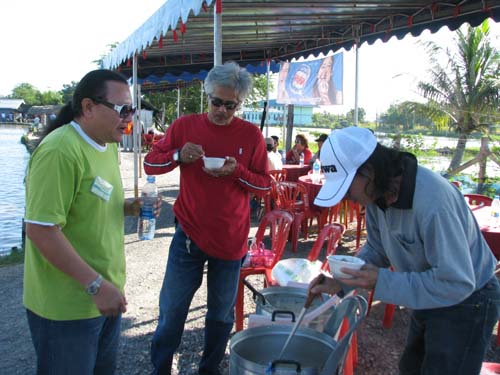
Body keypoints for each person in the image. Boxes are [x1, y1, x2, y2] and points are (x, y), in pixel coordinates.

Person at [310, 126, 500, 375]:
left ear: (368, 171)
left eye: (347, 188)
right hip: (429, 289)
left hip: (469, 299)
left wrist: (382, 280)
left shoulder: (433, 201)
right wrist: (341, 281)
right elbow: (378, 248)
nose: (348, 197)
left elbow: (456, 281)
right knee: (411, 367)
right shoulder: (377, 195)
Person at [144, 61, 271, 375]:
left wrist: (237, 171)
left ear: (239, 104)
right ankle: (160, 369)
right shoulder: (185, 126)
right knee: (172, 312)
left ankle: (209, 369)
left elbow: (266, 187)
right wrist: (177, 156)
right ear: (207, 95)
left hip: (231, 240)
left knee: (220, 315)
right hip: (188, 236)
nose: (223, 110)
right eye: (217, 102)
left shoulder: (251, 134)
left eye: (231, 105)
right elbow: (150, 164)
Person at [23, 69, 145, 374]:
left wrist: (129, 207)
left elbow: (90, 203)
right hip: (68, 306)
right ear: (88, 107)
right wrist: (95, 285)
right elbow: (40, 229)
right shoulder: (60, 151)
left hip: (104, 295)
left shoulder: (107, 145)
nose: (128, 117)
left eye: (131, 109)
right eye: (122, 109)